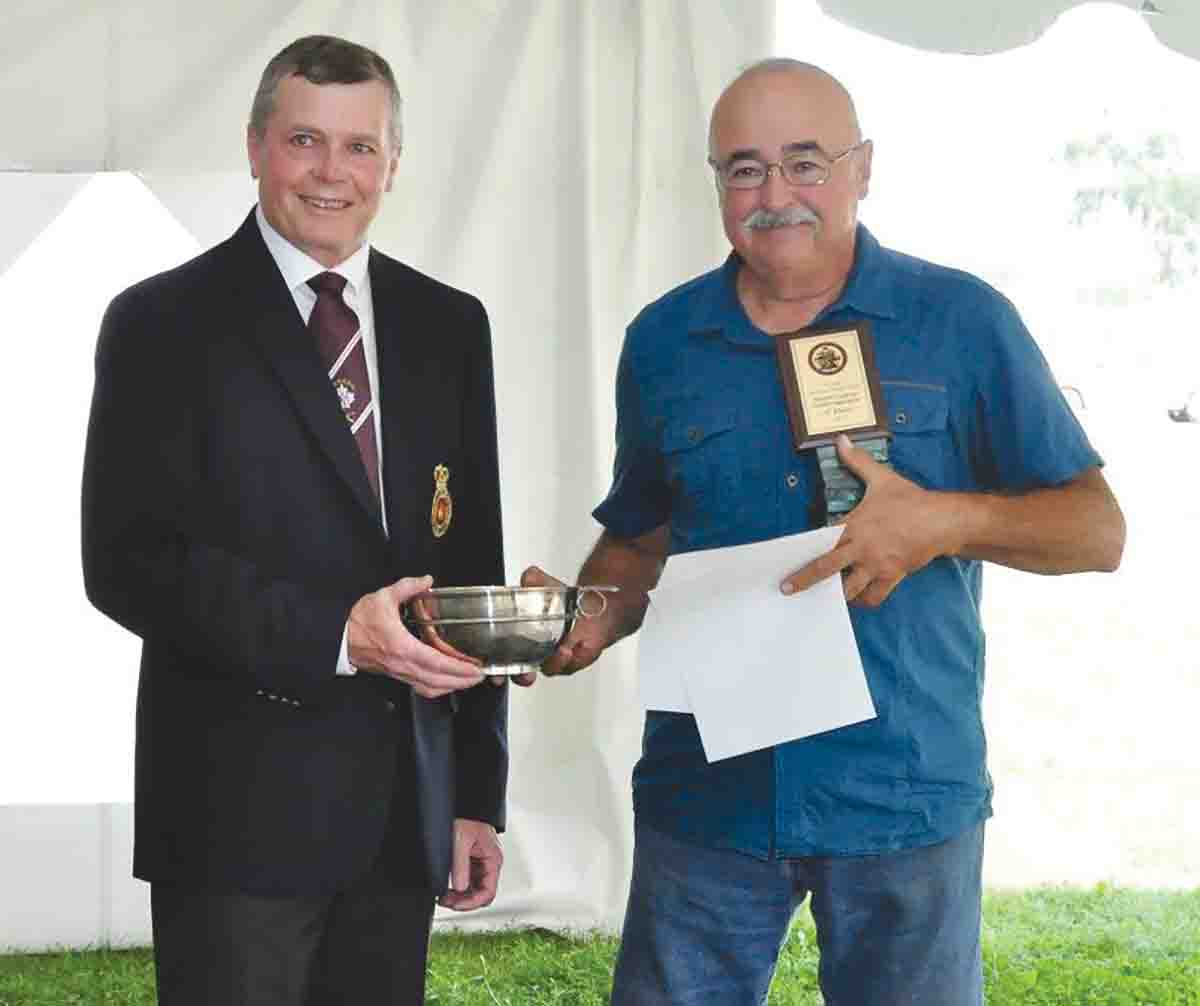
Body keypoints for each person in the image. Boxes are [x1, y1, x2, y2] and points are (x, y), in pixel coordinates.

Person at [523, 58, 1126, 1005]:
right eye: (745, 169)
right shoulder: (663, 340)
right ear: (717, 183)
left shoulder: (962, 321)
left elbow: (1097, 530)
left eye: (805, 163)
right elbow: (641, 541)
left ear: (863, 167)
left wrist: (943, 522)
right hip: (707, 793)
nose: (775, 196)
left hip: (904, 790)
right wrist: (583, 615)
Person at [82, 34, 516, 1006]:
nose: (333, 172)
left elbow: (469, 560)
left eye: (361, 147)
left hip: (403, 811)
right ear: (254, 147)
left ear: (394, 163)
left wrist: (475, 792)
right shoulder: (161, 323)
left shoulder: (450, 326)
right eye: (305, 140)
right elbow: (128, 560)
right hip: (235, 815)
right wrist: (334, 634)